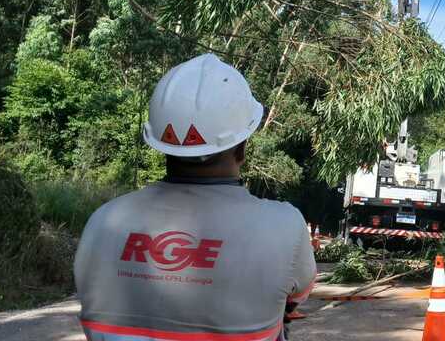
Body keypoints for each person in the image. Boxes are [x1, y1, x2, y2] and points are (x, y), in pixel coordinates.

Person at [74, 53, 316, 341]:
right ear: (241, 147)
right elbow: (296, 296)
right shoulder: (284, 225)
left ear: (160, 145)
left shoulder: (103, 221)